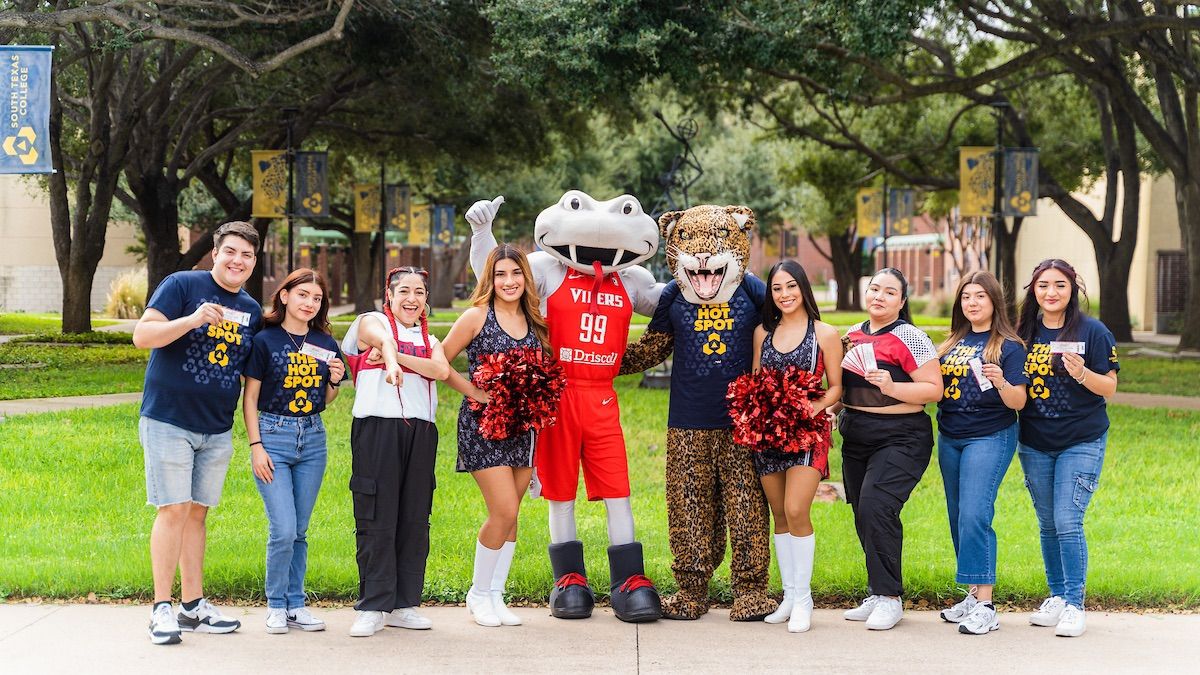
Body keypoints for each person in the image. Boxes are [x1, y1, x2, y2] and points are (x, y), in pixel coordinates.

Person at [133, 221, 262, 645]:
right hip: (168, 419)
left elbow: (254, 371)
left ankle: (192, 605)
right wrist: (190, 320)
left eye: (246, 255)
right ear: (215, 253)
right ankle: (161, 609)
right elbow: (142, 336)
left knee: (198, 513)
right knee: (172, 509)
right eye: (231, 252)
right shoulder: (182, 285)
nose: (237, 261)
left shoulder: (251, 309)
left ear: (253, 262)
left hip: (216, 427)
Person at [441, 244, 550, 627]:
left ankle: (496, 594)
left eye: (516, 274)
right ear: (490, 278)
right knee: (503, 510)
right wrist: (471, 390)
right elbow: (441, 360)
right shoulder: (476, 317)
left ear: (526, 278)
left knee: (513, 515)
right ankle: (477, 592)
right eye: (501, 274)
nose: (509, 281)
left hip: (522, 430)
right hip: (483, 426)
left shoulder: (536, 322)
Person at [340, 267, 451, 637]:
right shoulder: (370, 322)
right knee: (376, 514)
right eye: (404, 291)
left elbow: (439, 368)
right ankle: (373, 604)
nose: (412, 299)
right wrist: (389, 353)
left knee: (415, 518)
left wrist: (397, 359)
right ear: (389, 295)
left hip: (422, 431)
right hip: (377, 428)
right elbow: (377, 337)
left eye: (420, 292)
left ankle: (404, 602)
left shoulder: (430, 337)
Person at [1015, 259, 1118, 638]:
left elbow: (1109, 388)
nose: (1051, 292)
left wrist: (1082, 373)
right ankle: (1056, 596)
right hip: (1035, 441)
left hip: (1082, 439)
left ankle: (1075, 603)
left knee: (1067, 520)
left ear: (1072, 289)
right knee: (1046, 523)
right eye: (1043, 285)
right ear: (1034, 290)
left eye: (1059, 285)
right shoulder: (1022, 332)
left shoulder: (1093, 331)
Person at [242, 268, 346, 634]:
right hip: (273, 434)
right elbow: (250, 397)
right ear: (285, 296)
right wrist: (256, 446)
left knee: (300, 530)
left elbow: (326, 399)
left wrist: (333, 380)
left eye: (316, 298)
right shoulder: (266, 340)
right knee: (283, 528)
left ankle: (296, 604)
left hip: (313, 439)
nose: (309, 303)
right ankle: (275, 604)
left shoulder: (325, 343)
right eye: (303, 295)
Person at [838, 267, 941, 631]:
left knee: (878, 506)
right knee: (863, 514)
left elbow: (933, 389)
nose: (879, 296)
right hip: (856, 435)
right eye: (874, 289)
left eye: (889, 292)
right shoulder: (850, 336)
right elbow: (843, 389)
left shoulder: (910, 336)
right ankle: (877, 591)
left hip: (901, 435)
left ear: (902, 300)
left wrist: (891, 386)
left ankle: (890, 598)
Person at [934, 271, 1028, 635]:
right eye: (966, 297)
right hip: (951, 436)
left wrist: (1002, 379)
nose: (972, 303)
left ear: (994, 303)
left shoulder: (1008, 346)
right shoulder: (950, 342)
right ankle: (972, 596)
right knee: (959, 516)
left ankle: (987, 605)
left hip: (990, 436)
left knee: (975, 514)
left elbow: (1018, 400)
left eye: (980, 297)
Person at [752, 261, 843, 633]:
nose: (785, 294)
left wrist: (814, 407)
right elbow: (756, 381)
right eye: (777, 288)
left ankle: (804, 599)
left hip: (809, 432)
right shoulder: (762, 332)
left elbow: (837, 386)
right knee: (779, 514)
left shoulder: (825, 333)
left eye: (791, 286)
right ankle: (788, 596)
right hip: (768, 434)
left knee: (796, 508)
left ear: (804, 288)